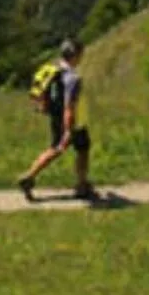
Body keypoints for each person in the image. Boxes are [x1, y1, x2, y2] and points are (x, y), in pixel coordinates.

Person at [16, 37, 96, 200]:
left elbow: (44, 93)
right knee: (78, 150)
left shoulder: (54, 70)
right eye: (81, 53)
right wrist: (68, 129)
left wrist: (45, 106)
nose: (82, 57)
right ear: (75, 55)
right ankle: (81, 186)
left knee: (59, 148)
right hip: (74, 121)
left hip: (56, 117)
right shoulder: (73, 79)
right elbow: (69, 106)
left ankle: (30, 177)